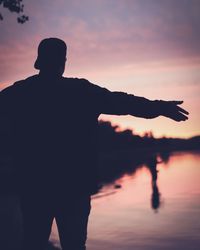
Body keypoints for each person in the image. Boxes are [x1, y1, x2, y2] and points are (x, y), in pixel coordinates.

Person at [0, 38, 189, 250]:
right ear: (63, 61)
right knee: (74, 245)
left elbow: (123, 101)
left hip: (34, 185)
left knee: (33, 243)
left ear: (39, 61)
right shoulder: (81, 90)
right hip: (74, 187)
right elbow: (124, 102)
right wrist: (160, 107)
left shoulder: (20, 92)